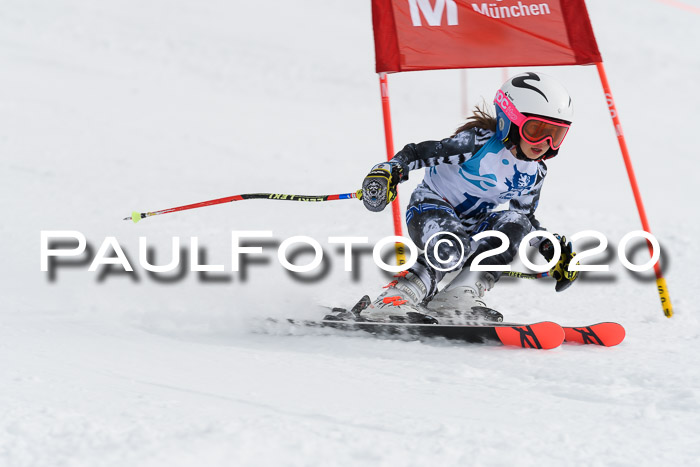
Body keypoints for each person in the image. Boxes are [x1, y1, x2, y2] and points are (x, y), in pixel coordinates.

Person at [359, 71, 579, 322]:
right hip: (429, 209)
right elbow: (417, 153)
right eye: (536, 130)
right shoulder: (476, 143)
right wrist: (388, 171)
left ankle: (459, 294)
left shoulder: (535, 172)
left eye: (556, 134)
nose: (545, 142)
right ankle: (398, 295)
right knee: (453, 244)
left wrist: (548, 246)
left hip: (474, 225)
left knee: (517, 223)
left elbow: (525, 218)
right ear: (511, 121)